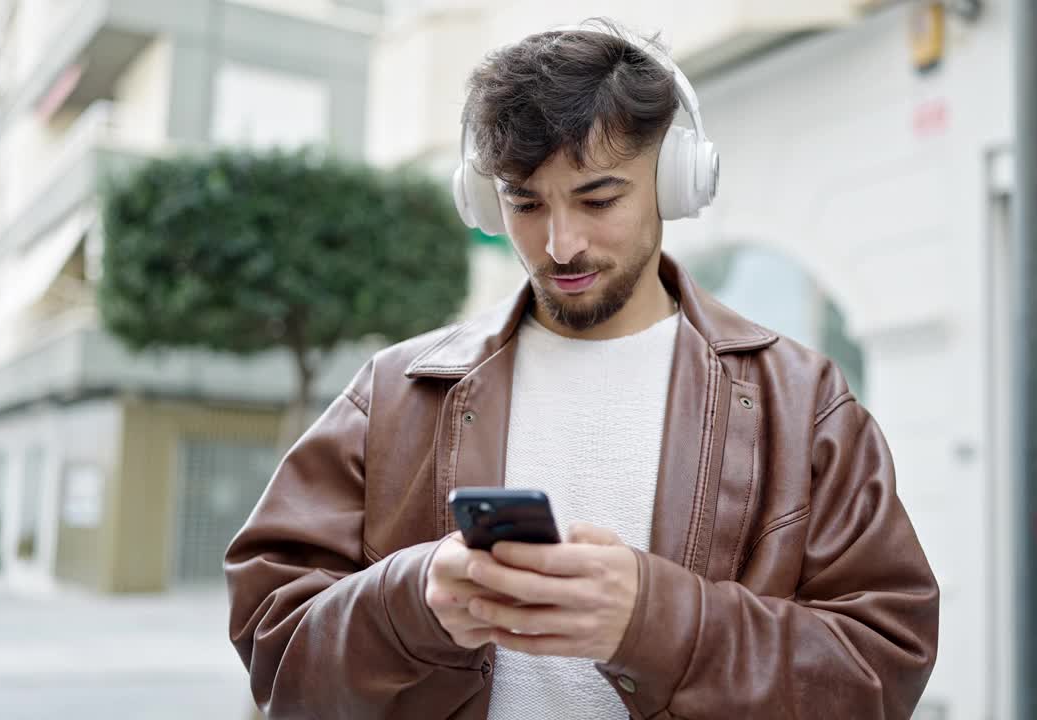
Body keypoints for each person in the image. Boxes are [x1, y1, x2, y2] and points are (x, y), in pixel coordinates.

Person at [225, 20, 938, 719]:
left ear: (675, 181)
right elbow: (274, 650)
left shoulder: (802, 400)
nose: (560, 244)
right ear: (482, 198)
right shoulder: (393, 392)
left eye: (599, 199)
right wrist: (409, 602)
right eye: (524, 204)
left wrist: (655, 622)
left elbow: (881, 672)